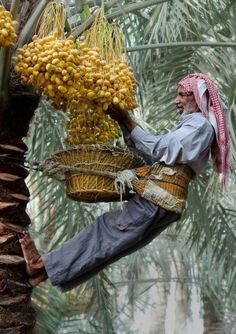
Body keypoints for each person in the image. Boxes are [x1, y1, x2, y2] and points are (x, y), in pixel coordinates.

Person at [19, 73, 230, 291]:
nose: (175, 101)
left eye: (180, 95)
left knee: (105, 231)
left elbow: (160, 148)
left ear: (196, 97)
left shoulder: (199, 125)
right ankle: (40, 274)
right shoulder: (193, 126)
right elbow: (153, 156)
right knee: (113, 246)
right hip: (166, 202)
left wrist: (127, 120)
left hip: (158, 198)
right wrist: (124, 125)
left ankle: (40, 264)